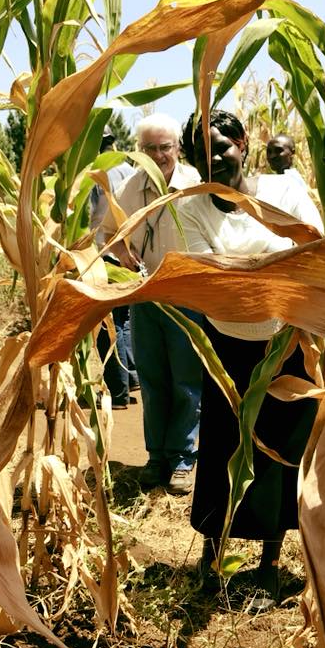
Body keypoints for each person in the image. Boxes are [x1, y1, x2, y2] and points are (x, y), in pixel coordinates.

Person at [179, 110, 324, 612]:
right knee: (223, 447)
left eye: (220, 145)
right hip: (227, 346)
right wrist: (270, 267)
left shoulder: (283, 192)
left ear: (243, 143)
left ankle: (270, 563)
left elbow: (311, 249)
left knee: (281, 451)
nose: (211, 158)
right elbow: (209, 278)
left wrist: (251, 276)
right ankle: (212, 555)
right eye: (199, 152)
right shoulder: (193, 208)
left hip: (286, 344)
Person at [103, 113, 203, 495]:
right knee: (153, 379)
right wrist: (125, 257)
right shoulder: (130, 187)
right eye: (150, 148)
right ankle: (157, 456)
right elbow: (110, 232)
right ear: (139, 151)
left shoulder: (194, 184)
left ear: (177, 147)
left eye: (165, 147)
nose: (158, 155)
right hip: (146, 294)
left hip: (186, 294)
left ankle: (183, 458)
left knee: (186, 380)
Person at [91, 125, 139, 409]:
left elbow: (88, 216)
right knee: (125, 320)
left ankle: (117, 392)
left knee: (110, 326)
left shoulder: (99, 172)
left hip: (104, 254)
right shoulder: (132, 171)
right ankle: (132, 379)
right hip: (129, 255)